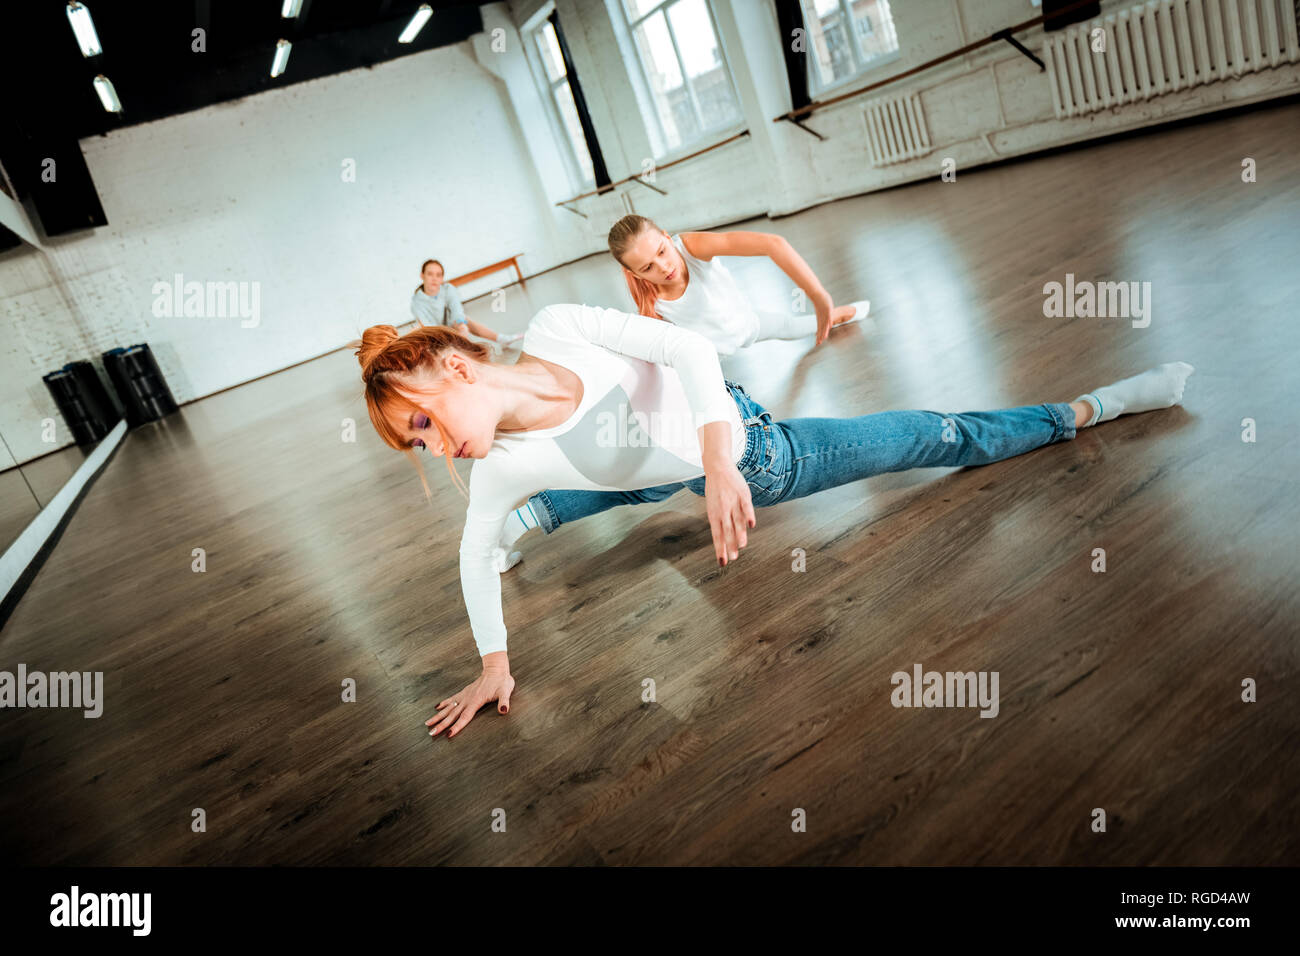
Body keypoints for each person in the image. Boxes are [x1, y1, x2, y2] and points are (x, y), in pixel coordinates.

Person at [354, 304, 1194, 739]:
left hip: (751, 450)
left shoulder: (558, 330)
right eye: (413, 448)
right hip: (670, 465)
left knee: (930, 436)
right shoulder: (495, 468)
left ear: (456, 369)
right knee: (616, 484)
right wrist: (494, 666)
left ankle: (1087, 408)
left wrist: (721, 465)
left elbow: (689, 354)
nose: (432, 451)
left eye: (421, 426)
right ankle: (552, 507)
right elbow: (469, 555)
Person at [608, 214, 872, 353]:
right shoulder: (652, 304)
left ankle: (843, 313)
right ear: (637, 274)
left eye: (662, 251)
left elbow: (772, 244)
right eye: (648, 268)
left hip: (748, 324)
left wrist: (818, 295)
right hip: (710, 358)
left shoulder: (691, 247)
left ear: (667, 237)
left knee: (792, 326)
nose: (663, 267)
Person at [410, 258, 522, 349]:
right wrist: (450, 338)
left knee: (465, 319)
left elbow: (457, 311)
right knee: (417, 330)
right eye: (430, 274)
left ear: (442, 278)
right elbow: (430, 328)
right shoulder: (416, 302)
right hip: (436, 336)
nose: (434, 278)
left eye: (438, 275)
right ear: (422, 275)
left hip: (452, 326)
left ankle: (501, 339)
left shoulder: (448, 289)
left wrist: (461, 326)